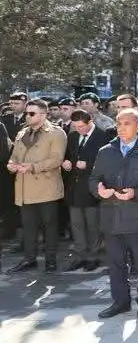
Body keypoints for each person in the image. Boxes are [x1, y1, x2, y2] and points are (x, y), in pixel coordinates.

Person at [89, 109, 138, 319]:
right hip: (111, 217)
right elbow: (94, 179)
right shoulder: (106, 150)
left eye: (127, 124)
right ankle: (120, 302)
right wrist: (99, 190)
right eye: (119, 123)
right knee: (115, 264)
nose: (121, 128)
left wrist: (136, 193)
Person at [6, 99, 67, 273]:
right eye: (27, 112)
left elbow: (57, 159)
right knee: (28, 226)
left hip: (46, 187)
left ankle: (50, 261)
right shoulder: (22, 133)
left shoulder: (56, 132)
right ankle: (29, 259)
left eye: (31, 113)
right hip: (24, 187)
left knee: (50, 226)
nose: (27, 116)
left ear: (43, 114)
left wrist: (33, 167)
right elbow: (15, 155)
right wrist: (11, 165)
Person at [62, 109, 105, 271]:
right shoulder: (72, 137)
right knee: (77, 225)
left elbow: (107, 162)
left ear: (90, 122)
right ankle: (80, 255)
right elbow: (68, 156)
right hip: (74, 188)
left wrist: (89, 165)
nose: (78, 129)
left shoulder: (102, 136)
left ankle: (93, 256)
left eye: (81, 126)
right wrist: (66, 163)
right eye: (75, 126)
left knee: (93, 225)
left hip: (92, 188)